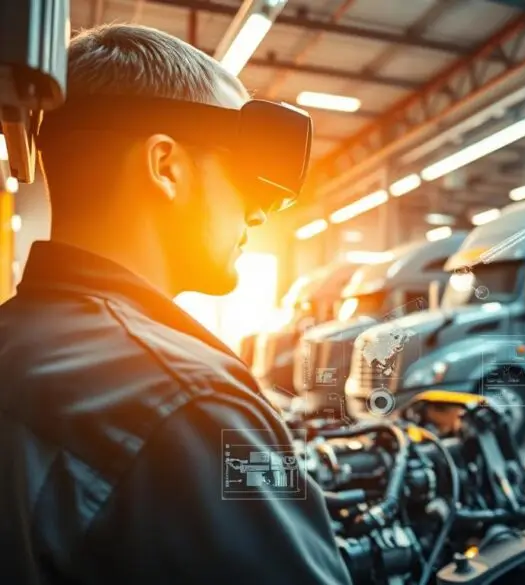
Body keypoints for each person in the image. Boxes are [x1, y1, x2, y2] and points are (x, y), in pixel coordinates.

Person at [0, 25, 353, 584]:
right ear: (165, 165)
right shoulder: (195, 405)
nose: (257, 214)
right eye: (243, 175)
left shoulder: (14, 341)